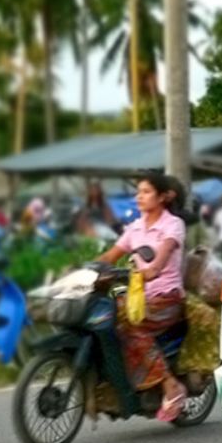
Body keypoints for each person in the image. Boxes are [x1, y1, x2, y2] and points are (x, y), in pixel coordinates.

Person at [95, 174, 189, 422]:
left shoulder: (173, 225)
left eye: (146, 192)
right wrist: (85, 268)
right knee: (102, 317)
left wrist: (154, 268)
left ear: (162, 197)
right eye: (138, 192)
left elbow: (165, 251)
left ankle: (170, 384)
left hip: (166, 298)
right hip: (139, 297)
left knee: (128, 326)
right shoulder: (134, 228)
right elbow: (110, 255)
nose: (139, 196)